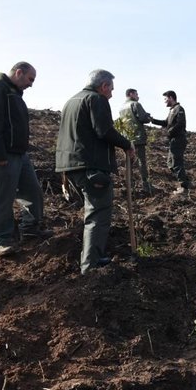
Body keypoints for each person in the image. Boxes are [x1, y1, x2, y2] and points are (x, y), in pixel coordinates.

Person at [55, 69, 135, 274]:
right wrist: (127, 144)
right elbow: (104, 130)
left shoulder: (72, 101)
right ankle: (90, 265)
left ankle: (93, 258)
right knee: (98, 213)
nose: (111, 94)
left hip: (71, 166)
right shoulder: (96, 100)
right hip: (91, 167)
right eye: (111, 89)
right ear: (104, 86)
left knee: (92, 212)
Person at [0, 61, 51, 257]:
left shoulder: (14, 93)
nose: (31, 84)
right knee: (2, 197)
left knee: (32, 192)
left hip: (19, 154)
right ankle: (0, 241)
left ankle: (30, 229)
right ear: (19, 72)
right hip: (1, 154)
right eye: (30, 79)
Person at [151, 90, 190, 194]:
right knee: (170, 163)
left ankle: (184, 187)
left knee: (177, 163)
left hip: (178, 139)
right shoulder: (172, 110)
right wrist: (152, 120)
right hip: (173, 140)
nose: (164, 101)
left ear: (171, 98)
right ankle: (186, 183)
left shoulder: (179, 109)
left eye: (165, 99)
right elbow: (165, 122)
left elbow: (180, 123)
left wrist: (170, 132)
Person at [118, 88, 152, 193]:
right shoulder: (136, 104)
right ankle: (146, 186)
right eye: (137, 94)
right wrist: (148, 117)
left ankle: (130, 187)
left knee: (129, 163)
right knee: (142, 162)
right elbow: (143, 118)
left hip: (127, 139)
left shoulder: (121, 108)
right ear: (131, 94)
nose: (138, 96)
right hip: (138, 138)